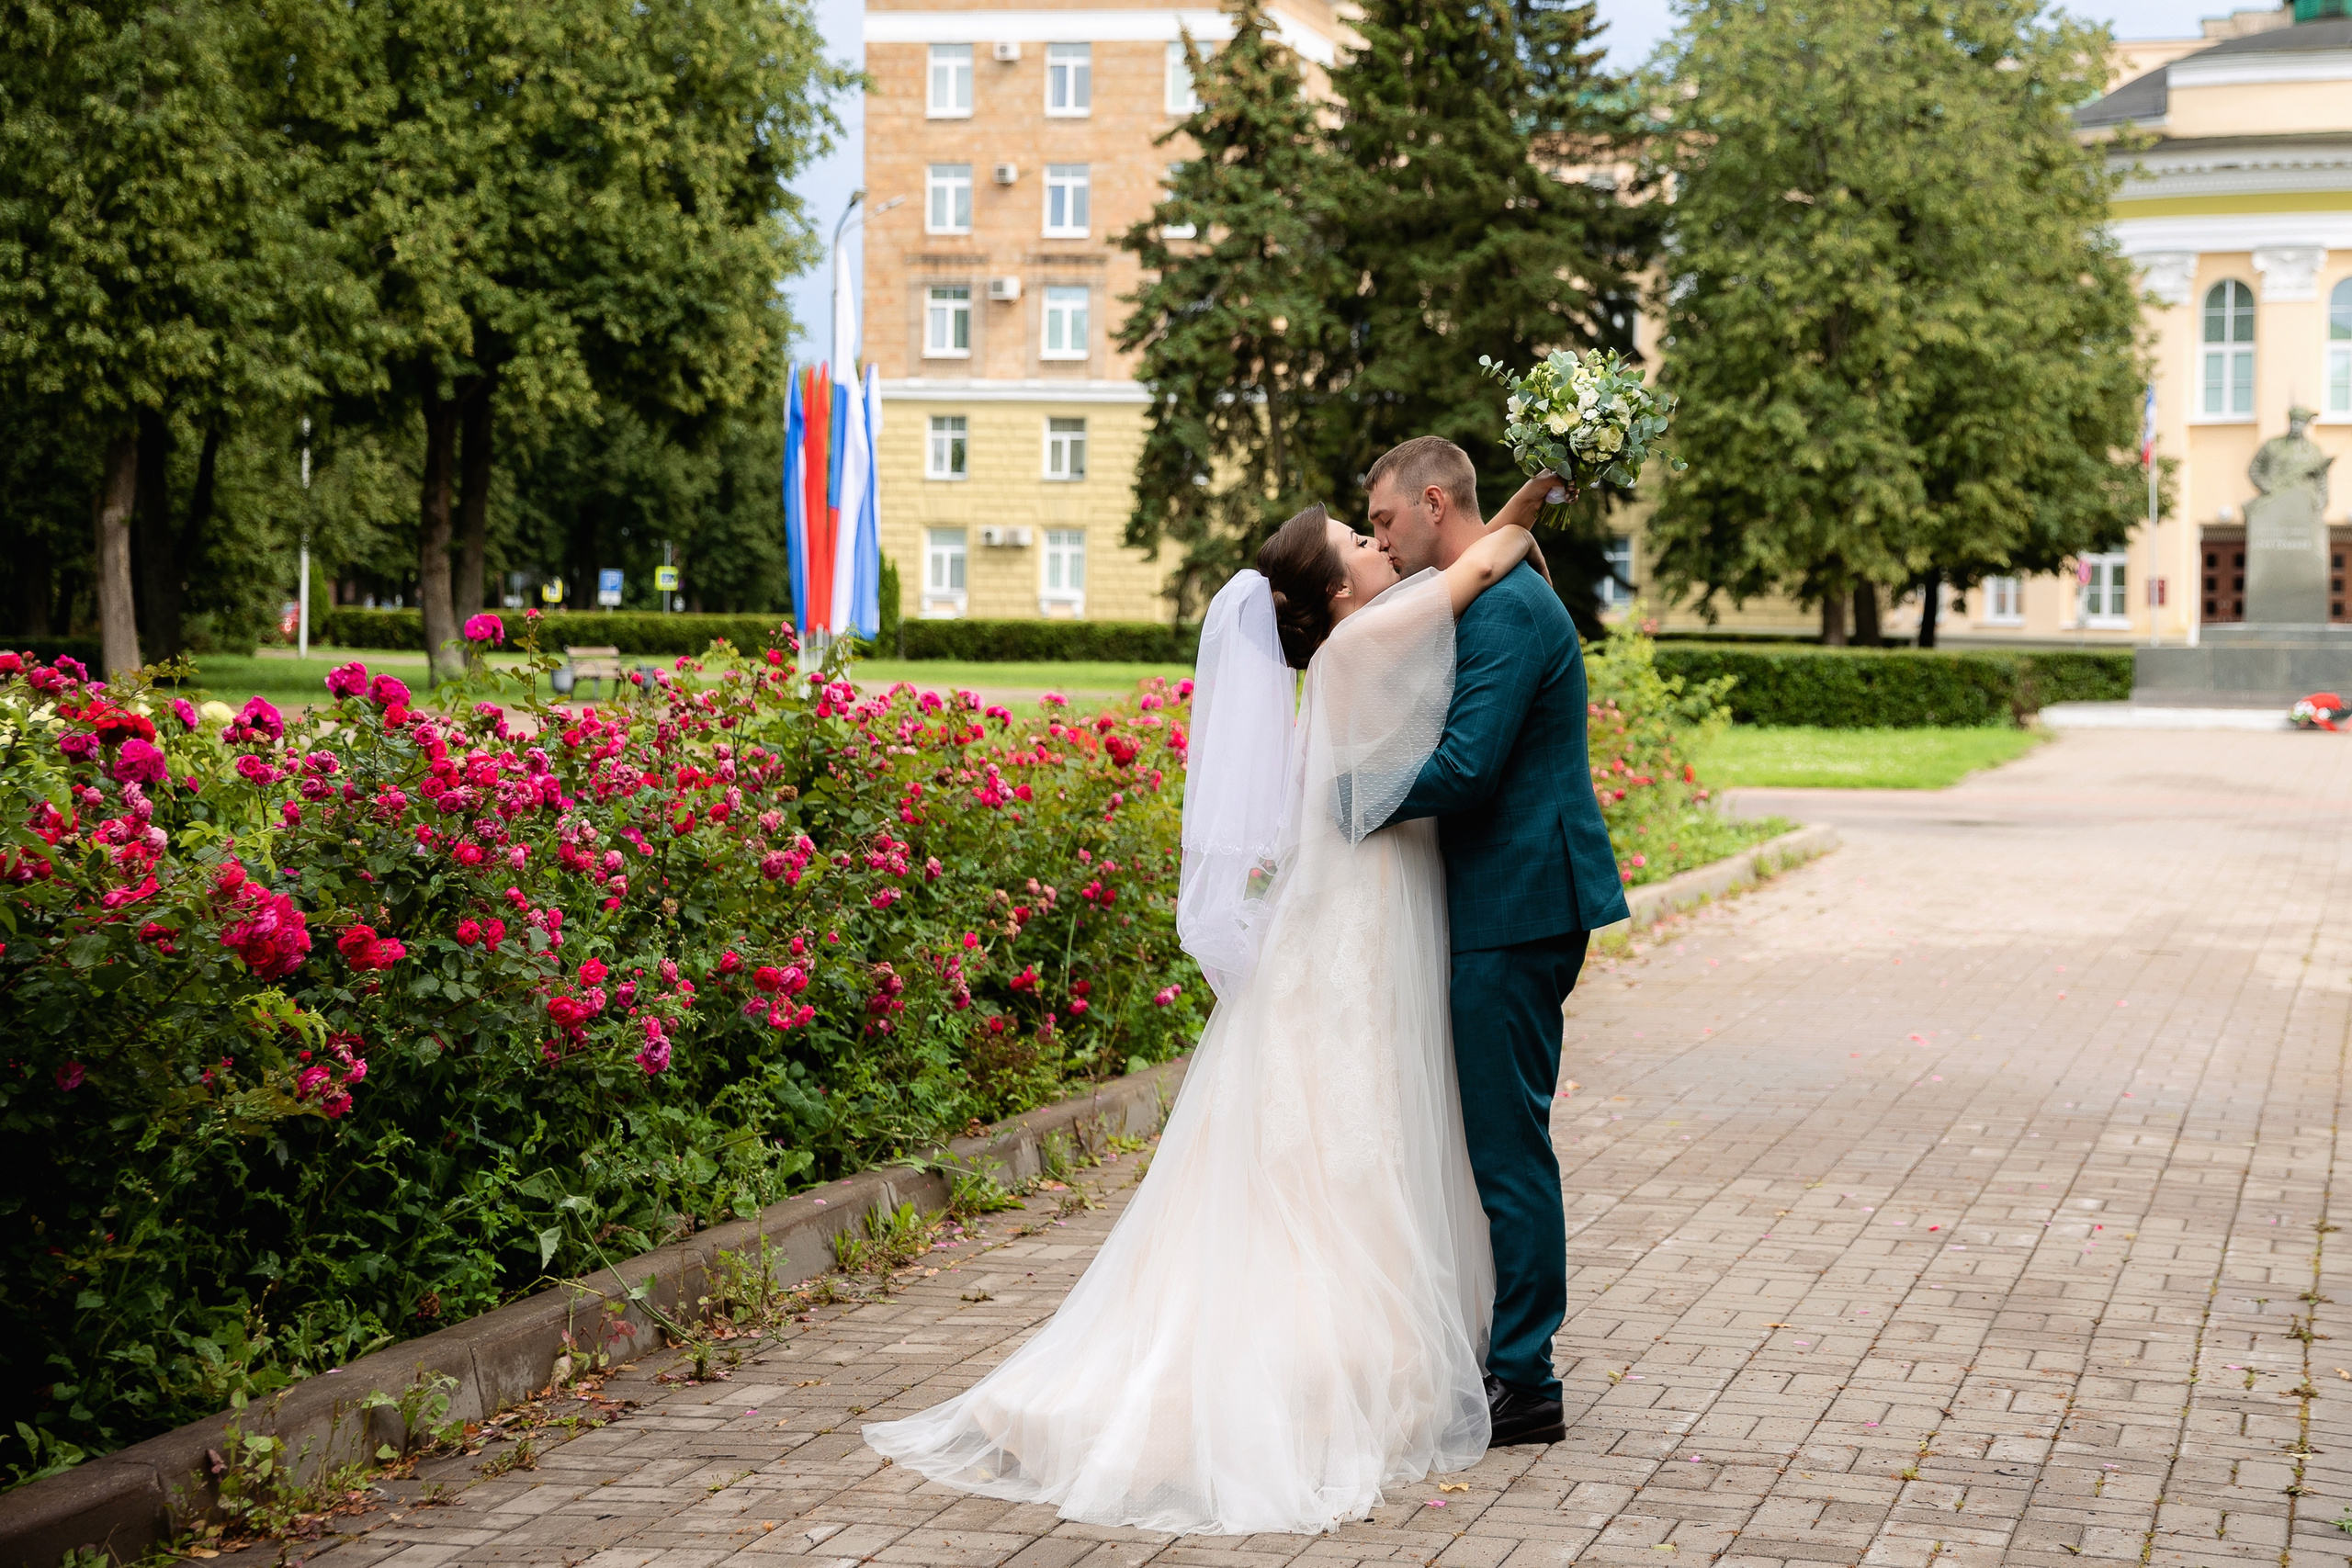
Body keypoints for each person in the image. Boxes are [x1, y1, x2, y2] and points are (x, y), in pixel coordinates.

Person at [861, 470, 1565, 1537]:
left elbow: (1450, 579)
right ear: (1333, 596)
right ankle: (1376, 1347)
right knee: (1360, 1115)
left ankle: (1423, 1335)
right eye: (1359, 543)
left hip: (1364, 898)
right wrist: (1522, 510)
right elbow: (1477, 561)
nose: (1380, 551)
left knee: (1352, 1113)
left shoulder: (1348, 645)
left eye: (1376, 532)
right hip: (1366, 907)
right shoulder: (1362, 643)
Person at [1363, 434, 1629, 1446]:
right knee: (1500, 1138)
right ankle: (1512, 1359)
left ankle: (1525, 1380)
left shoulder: (1510, 610)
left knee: (1508, 1147)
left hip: (1520, 905)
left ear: (1435, 502)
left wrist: (1344, 803)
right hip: (1509, 898)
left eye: (1385, 521)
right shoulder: (1495, 589)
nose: (1380, 543)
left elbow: (1468, 766)